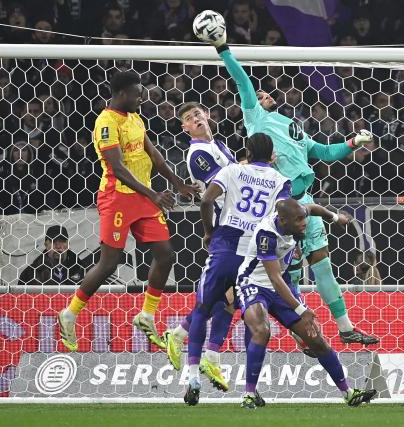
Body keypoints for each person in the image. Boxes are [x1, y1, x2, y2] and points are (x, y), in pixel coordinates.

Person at [203, 22, 378, 346]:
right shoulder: (255, 117)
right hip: (278, 207)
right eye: (258, 94)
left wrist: (354, 141)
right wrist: (223, 48)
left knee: (322, 265)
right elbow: (242, 81)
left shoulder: (293, 127)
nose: (262, 94)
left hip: (304, 202)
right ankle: (299, 334)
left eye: (266, 92)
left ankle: (345, 327)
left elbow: (325, 152)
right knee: (286, 274)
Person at [57, 71, 198, 352]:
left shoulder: (135, 118)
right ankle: (69, 313)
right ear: (122, 94)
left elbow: (154, 154)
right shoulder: (106, 123)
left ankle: (146, 314)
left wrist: (177, 183)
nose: (141, 99)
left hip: (144, 197)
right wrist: (155, 194)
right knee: (109, 262)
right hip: (117, 198)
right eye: (137, 94)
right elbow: (118, 169)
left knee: (166, 254)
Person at [175, 132, 292, 406]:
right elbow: (283, 216)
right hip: (254, 257)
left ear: (248, 152)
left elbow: (206, 201)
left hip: (225, 247)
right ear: (272, 154)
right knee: (255, 319)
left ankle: (192, 377)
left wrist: (208, 232)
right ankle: (250, 390)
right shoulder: (280, 181)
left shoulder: (232, 170)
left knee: (203, 309)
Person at [236, 198, 377, 408]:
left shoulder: (298, 216)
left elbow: (313, 209)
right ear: (283, 220)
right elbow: (273, 277)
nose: (304, 223)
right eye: (299, 220)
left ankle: (348, 393)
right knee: (262, 331)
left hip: (279, 287)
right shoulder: (267, 234)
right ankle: (248, 394)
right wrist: (301, 309)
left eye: (304, 218)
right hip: (254, 284)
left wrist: (336, 217)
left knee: (316, 339)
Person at [162, 101, 240, 394]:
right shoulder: (197, 155)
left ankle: (183, 336)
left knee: (230, 299)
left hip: (239, 226)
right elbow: (218, 191)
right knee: (216, 298)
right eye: (188, 118)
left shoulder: (218, 145)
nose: (195, 118)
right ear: (184, 128)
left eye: (198, 113)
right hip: (224, 229)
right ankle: (202, 357)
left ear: (207, 115)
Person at [18, 226, 84, 287]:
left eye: (62, 241)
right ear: (46, 245)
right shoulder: (30, 273)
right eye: (53, 241)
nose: (58, 246)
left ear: (68, 244)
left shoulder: (82, 270)